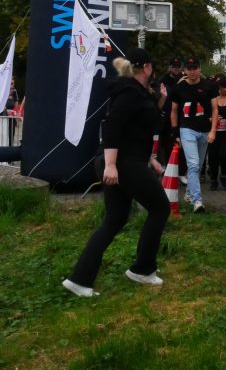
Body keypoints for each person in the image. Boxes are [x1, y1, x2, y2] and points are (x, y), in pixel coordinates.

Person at [63, 48, 169, 297]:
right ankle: (142, 270)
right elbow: (112, 127)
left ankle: (79, 280)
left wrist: (151, 158)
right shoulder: (129, 92)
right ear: (148, 68)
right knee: (160, 208)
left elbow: (139, 130)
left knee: (116, 218)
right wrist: (111, 164)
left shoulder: (137, 92)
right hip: (121, 163)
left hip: (127, 161)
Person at [170, 57, 218, 213]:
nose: (192, 71)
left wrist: (212, 130)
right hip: (187, 129)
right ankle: (197, 200)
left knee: (198, 165)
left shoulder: (209, 86)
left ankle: (190, 194)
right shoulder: (179, 88)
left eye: (195, 68)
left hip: (204, 129)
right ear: (185, 70)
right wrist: (175, 132)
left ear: (200, 69)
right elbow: (174, 111)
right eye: (189, 68)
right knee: (194, 164)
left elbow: (215, 109)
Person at [208, 76, 226, 191]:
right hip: (213, 132)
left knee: (225, 155)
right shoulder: (212, 98)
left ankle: (223, 176)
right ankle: (214, 179)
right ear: (220, 87)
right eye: (225, 88)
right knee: (213, 157)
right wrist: (212, 119)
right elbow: (206, 114)